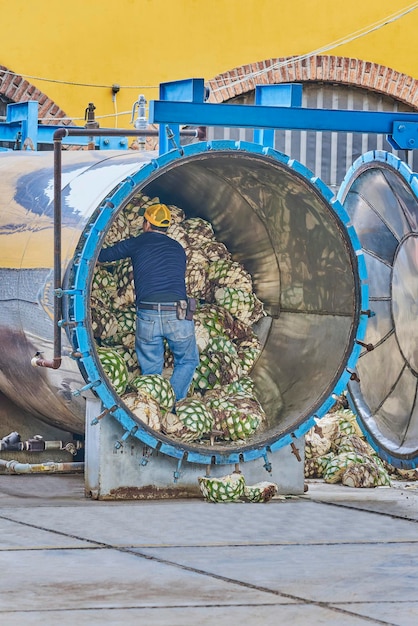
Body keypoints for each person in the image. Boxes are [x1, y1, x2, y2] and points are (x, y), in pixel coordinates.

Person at [98, 203, 199, 404]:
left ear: (146, 223)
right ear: (166, 227)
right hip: (179, 311)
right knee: (187, 360)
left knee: (152, 368)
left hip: (148, 312)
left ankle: (152, 405)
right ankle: (172, 405)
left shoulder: (138, 243)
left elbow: (102, 256)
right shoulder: (178, 248)